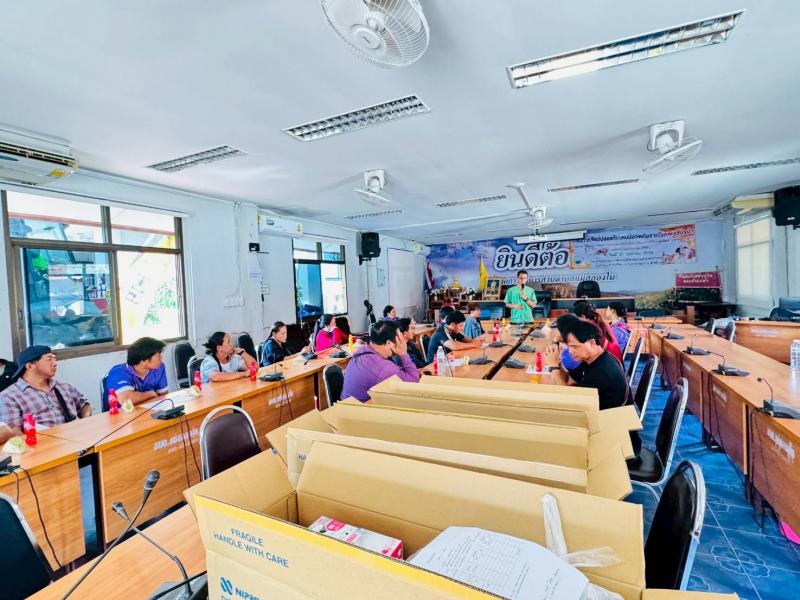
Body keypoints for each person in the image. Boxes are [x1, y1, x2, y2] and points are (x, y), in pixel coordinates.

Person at [0, 345, 91, 433]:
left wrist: (86, 424)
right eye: (49, 359)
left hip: (76, 438)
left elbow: (84, 406)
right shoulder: (9, 397)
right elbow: (13, 431)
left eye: (55, 359)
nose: (55, 364)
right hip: (40, 442)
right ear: (30, 366)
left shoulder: (65, 386)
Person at [543, 320, 629, 410]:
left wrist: (554, 367)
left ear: (592, 343)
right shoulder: (591, 358)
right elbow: (569, 380)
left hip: (606, 415)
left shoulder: (602, 371)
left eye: (575, 347)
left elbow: (566, 399)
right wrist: (558, 364)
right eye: (569, 346)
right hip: (594, 406)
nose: (570, 351)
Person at [341, 320, 420, 402]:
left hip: (346, 403)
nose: (402, 341)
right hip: (358, 408)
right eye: (399, 338)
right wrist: (404, 353)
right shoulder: (382, 367)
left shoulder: (363, 350)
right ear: (389, 343)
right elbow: (413, 381)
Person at [107, 337, 169, 406]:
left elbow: (163, 396)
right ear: (143, 361)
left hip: (149, 410)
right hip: (123, 412)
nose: (162, 358)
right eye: (158, 355)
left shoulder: (159, 368)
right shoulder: (118, 372)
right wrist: (151, 394)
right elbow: (126, 400)